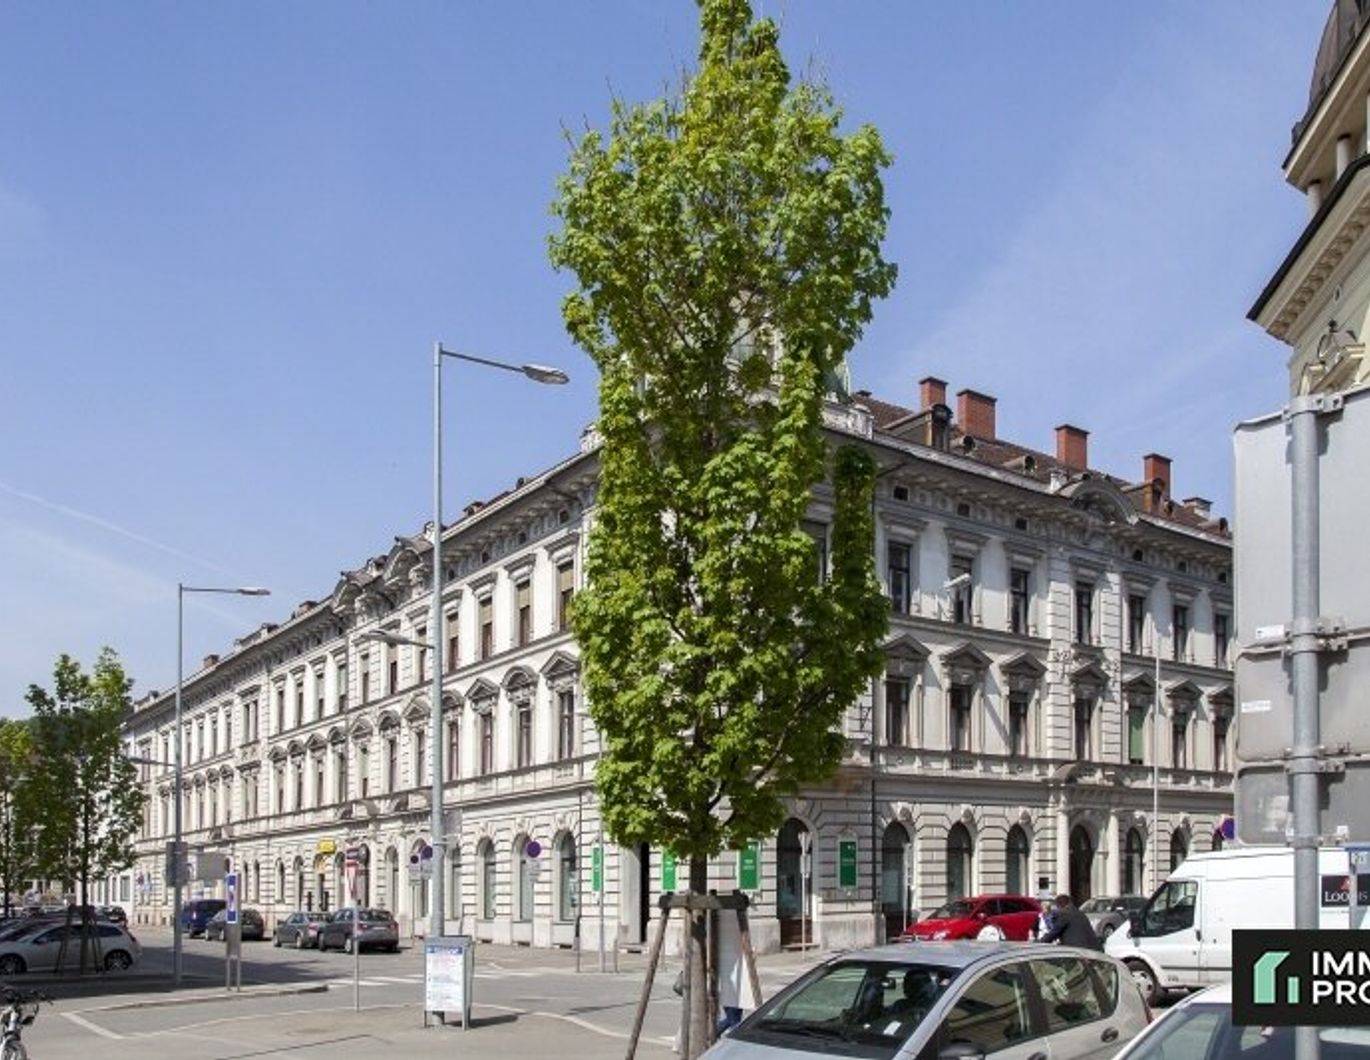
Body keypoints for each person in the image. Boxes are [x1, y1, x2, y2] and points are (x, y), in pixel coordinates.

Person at [1038, 894, 1103, 951]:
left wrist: (1040, 943)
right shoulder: (1080, 913)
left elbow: (1053, 933)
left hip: (1079, 952)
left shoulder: (1064, 914)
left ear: (1058, 906)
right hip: (1094, 950)